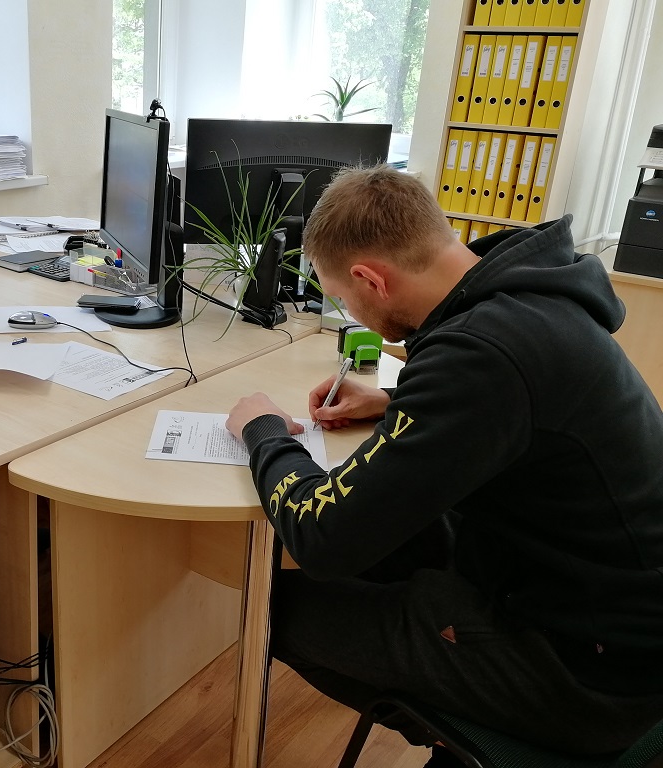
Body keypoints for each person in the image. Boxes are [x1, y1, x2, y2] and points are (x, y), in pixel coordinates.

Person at [225, 166, 663, 764]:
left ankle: (458, 733)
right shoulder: (524, 297)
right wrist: (395, 402)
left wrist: (263, 430)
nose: (349, 310)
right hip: (599, 610)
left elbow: (320, 534)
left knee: (266, 609)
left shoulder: (482, 354)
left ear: (370, 279)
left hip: (589, 676)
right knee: (392, 540)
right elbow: (519, 404)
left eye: (343, 298)